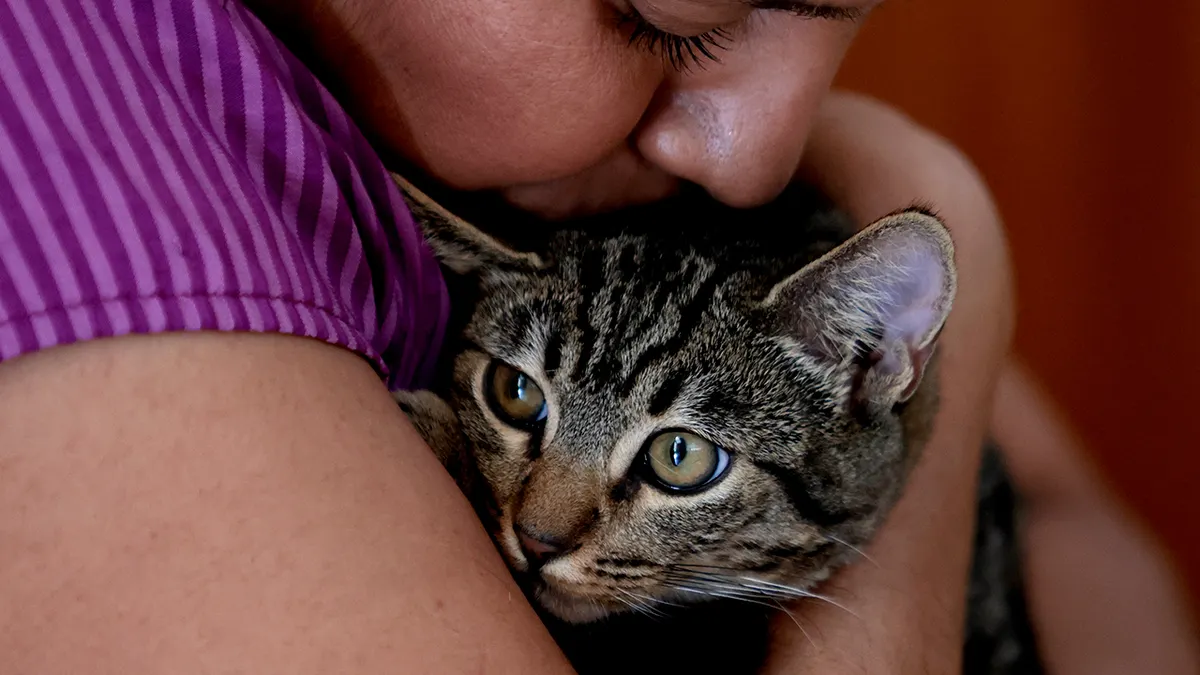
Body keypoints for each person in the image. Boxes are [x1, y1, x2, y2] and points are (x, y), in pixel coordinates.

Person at [0, 0, 1194, 672]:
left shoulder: (601, 203)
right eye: (664, 18)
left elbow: (1076, 526)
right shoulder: (83, 146)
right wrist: (950, 229)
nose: (763, 154)